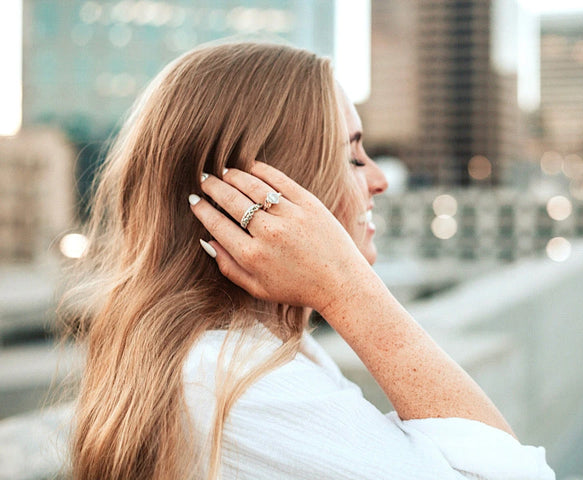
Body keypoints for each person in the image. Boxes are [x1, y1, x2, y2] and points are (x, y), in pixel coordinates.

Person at [61, 42, 555, 480]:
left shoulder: (253, 356)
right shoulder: (238, 385)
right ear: (266, 191)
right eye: (353, 157)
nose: (380, 179)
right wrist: (348, 287)